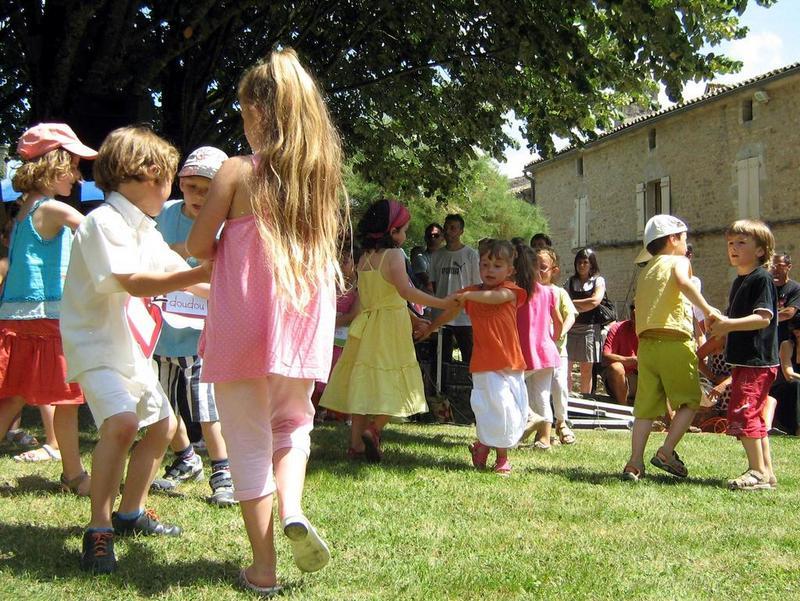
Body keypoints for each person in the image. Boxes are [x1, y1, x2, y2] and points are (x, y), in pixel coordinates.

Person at [187, 49, 348, 595]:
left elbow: (196, 244)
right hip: (302, 323)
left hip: (241, 323)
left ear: (259, 110)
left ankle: (263, 566)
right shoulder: (319, 179)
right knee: (293, 424)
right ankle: (294, 506)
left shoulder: (235, 171)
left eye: (242, 110)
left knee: (248, 441)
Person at [60, 125, 210, 573]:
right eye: (169, 178)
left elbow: (182, 273)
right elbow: (136, 281)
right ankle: (99, 530)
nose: (171, 191)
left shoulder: (143, 227)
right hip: (96, 346)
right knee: (124, 424)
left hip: (127, 348)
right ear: (149, 173)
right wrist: (210, 268)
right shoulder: (103, 222)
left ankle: (131, 512)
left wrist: (234, 293)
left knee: (163, 426)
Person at [0, 123, 96, 495]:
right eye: (72, 166)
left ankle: (73, 473)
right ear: (52, 165)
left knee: (13, 396)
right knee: (67, 397)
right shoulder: (55, 209)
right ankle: (74, 475)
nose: (77, 176)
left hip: (17, 318)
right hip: (47, 319)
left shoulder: (25, 209)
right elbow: (94, 232)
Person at [320, 199, 454, 461]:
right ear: (392, 231)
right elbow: (405, 292)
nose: (404, 235)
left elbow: (382, 297)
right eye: (403, 230)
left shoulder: (364, 259)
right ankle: (375, 428)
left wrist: (414, 319)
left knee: (362, 383)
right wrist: (442, 302)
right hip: (390, 328)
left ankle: (355, 444)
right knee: (397, 379)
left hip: (366, 327)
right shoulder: (394, 255)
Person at [149, 146, 235, 507]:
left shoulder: (228, 225)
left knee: (206, 407)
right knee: (161, 405)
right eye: (191, 187)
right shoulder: (164, 215)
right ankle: (185, 457)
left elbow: (222, 286)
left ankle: (223, 471)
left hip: (202, 336)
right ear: (180, 184)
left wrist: (180, 280)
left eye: (208, 189)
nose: (198, 196)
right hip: (161, 332)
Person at [622, 215, 717, 482]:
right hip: (675, 340)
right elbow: (684, 284)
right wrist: (708, 310)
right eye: (684, 239)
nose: (687, 246)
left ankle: (634, 463)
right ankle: (666, 451)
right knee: (689, 401)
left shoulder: (646, 270)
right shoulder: (680, 261)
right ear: (673, 239)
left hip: (647, 345)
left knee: (645, 408)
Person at [421, 239, 529, 475]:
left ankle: (482, 446)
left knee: (511, 408)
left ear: (510, 270)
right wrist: (430, 327)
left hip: (511, 361)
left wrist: (466, 296)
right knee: (493, 407)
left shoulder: (511, 291)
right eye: (485, 264)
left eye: (497, 265)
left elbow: (494, 298)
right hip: (484, 363)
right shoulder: (471, 294)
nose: (490, 270)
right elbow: (449, 310)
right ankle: (501, 458)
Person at [708, 219, 779, 490]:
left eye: (741, 243)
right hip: (745, 362)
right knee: (755, 415)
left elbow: (763, 318)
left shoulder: (760, 278)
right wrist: (722, 322)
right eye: (730, 243)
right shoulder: (741, 280)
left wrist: (728, 325)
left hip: (756, 361)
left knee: (743, 413)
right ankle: (767, 472)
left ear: (761, 250)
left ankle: (756, 472)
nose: (733, 248)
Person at [514, 244, 563, 450]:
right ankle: (544, 438)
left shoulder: (517, 292)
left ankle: (524, 423)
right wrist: (554, 338)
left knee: (513, 388)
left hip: (527, 351)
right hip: (546, 350)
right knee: (542, 396)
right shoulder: (548, 292)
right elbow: (558, 320)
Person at [536, 247, 577, 445]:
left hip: (558, 350)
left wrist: (560, 332)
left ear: (554, 270)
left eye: (543, 268)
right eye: (534, 267)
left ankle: (562, 422)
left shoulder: (559, 292)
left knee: (559, 387)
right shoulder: (531, 292)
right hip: (537, 353)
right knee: (539, 391)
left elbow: (569, 315)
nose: (538, 272)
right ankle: (541, 426)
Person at [428, 214, 481, 365]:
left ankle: (469, 386)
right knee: (441, 358)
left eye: (453, 228)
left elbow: (476, 284)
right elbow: (435, 283)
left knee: (468, 354)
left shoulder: (471, 254)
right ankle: (442, 387)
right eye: (446, 228)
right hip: (441, 313)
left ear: (461, 231)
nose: (449, 231)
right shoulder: (437, 255)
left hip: (464, 314)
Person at [566, 248, 606, 394]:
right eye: (579, 262)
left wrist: (573, 303)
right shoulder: (570, 281)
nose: (581, 265)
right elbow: (563, 302)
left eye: (585, 262)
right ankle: (567, 399)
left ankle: (585, 400)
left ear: (591, 264)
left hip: (590, 329)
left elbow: (595, 300)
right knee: (566, 368)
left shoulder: (598, 281)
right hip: (571, 329)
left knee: (586, 370)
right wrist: (584, 304)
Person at [602, 306, 638, 405]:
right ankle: (623, 407)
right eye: (632, 307)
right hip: (620, 379)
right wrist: (630, 360)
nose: (634, 311)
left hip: (643, 378)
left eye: (639, 307)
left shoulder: (652, 332)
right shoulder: (617, 328)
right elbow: (606, 356)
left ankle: (671, 419)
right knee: (616, 367)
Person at [771, 315, 800, 436]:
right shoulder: (786, 345)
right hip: (785, 387)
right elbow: (789, 374)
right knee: (798, 385)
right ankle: (798, 428)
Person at [770, 253, 800, 342]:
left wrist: (762, 320)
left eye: (780, 265)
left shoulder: (796, 288)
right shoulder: (765, 288)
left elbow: (788, 313)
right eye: (772, 266)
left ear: (789, 267)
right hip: (767, 340)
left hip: (787, 341)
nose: (775, 269)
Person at [411, 222, 443, 293]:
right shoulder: (419, 255)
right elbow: (429, 285)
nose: (433, 238)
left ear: (442, 238)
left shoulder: (448, 258)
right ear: (425, 238)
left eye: (436, 235)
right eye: (430, 236)